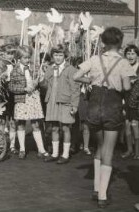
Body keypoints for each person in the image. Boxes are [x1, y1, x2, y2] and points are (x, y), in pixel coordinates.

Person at [74, 27, 132, 208]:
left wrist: (91, 81)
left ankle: (96, 188)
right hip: (113, 106)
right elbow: (127, 88)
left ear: (103, 42)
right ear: (120, 42)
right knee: (108, 151)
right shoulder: (123, 63)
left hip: (94, 105)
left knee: (99, 146)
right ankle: (103, 195)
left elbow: (76, 76)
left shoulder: (94, 59)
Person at [41, 44, 81, 164]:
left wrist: (74, 105)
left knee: (65, 128)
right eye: (55, 55)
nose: (58, 57)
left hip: (65, 101)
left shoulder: (71, 69)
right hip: (52, 100)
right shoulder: (49, 68)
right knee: (54, 128)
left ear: (65, 56)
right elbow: (44, 84)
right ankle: (54, 153)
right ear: (52, 56)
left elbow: (75, 89)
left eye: (60, 55)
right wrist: (41, 78)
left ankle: (65, 154)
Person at [8, 45, 48, 159]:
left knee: (35, 123)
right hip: (21, 98)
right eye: (25, 58)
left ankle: (41, 149)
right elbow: (11, 87)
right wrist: (24, 89)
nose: (27, 60)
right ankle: (22, 149)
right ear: (19, 58)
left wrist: (39, 81)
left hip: (33, 98)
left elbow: (42, 84)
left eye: (28, 57)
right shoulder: (15, 70)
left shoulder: (34, 68)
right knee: (21, 124)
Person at [0, 44, 18, 154]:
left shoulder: (15, 65)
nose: (10, 56)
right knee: (1, 120)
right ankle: (1, 143)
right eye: (8, 53)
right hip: (2, 94)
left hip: (12, 94)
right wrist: (4, 75)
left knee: (12, 121)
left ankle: (12, 145)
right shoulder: (1, 64)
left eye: (12, 54)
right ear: (4, 54)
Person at [122, 45, 139, 159]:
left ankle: (137, 152)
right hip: (125, 100)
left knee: (135, 125)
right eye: (128, 53)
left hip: (137, 102)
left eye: (133, 54)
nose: (130, 56)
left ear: (137, 56)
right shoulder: (124, 68)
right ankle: (129, 150)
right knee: (127, 125)